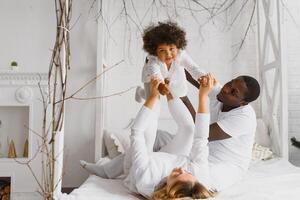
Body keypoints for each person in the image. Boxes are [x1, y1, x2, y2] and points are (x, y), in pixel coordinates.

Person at [81, 74, 261, 199]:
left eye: (234, 92)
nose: (227, 89)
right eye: (230, 83)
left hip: (223, 165)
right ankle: (108, 170)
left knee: (198, 181)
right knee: (156, 137)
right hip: (199, 149)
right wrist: (174, 66)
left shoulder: (245, 117)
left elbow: (201, 134)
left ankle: (168, 191)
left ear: (243, 102)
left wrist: (184, 95)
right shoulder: (223, 94)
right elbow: (193, 76)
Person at [136, 21, 206, 154]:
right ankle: (141, 92)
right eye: (162, 50)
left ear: (178, 46)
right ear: (154, 52)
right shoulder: (152, 60)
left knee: (179, 93)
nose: (168, 54)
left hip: (173, 78)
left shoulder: (181, 54)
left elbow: (192, 68)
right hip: (152, 78)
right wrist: (161, 85)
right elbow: (155, 74)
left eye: (171, 49)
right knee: (153, 99)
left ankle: (141, 93)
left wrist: (201, 76)